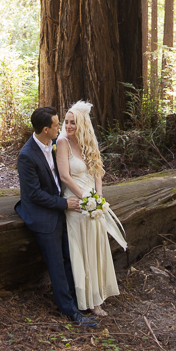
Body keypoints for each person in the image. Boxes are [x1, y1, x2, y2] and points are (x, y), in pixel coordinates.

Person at [15, 106, 98, 328]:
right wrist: (64, 203)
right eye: (56, 125)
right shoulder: (26, 156)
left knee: (69, 258)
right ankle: (70, 312)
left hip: (58, 210)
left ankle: (78, 302)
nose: (60, 127)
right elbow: (33, 194)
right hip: (43, 216)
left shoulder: (52, 144)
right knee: (57, 265)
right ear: (45, 129)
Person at [56, 101, 127, 317]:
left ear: (82, 124)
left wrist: (99, 198)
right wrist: (85, 198)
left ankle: (97, 299)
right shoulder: (62, 143)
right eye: (66, 122)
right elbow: (65, 176)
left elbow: (97, 172)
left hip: (93, 203)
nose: (68, 126)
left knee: (96, 248)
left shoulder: (90, 144)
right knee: (81, 250)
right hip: (76, 203)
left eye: (73, 123)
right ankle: (83, 299)